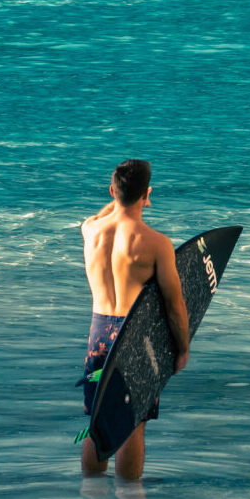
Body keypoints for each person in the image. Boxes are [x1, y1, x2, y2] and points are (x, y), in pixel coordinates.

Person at [78, 158, 191, 480]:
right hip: (134, 334)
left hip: (98, 334)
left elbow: (100, 214)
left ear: (112, 190)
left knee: (98, 423)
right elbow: (174, 304)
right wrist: (181, 348)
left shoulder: (91, 230)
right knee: (133, 423)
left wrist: (118, 198)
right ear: (148, 194)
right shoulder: (156, 243)